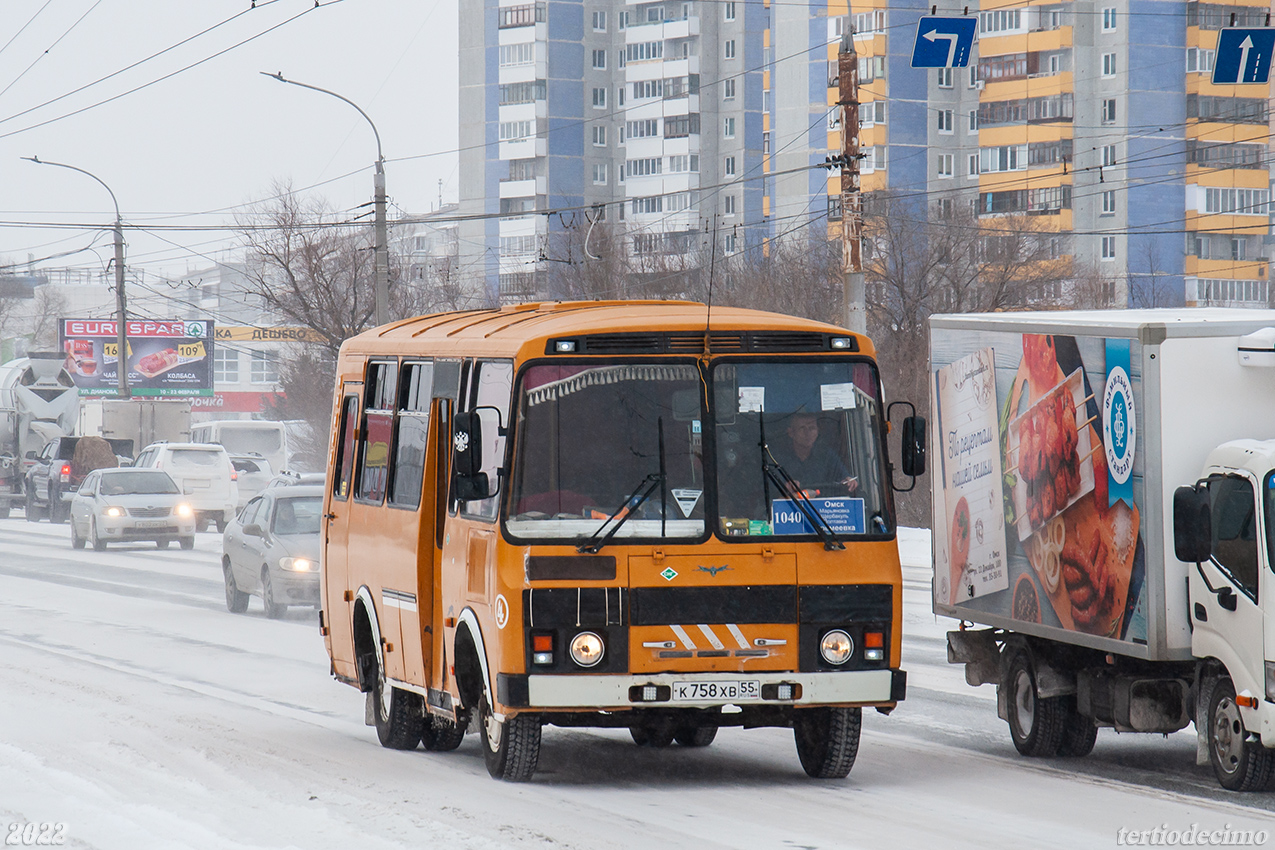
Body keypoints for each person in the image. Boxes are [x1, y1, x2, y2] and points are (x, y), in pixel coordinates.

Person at [769, 412, 858, 495]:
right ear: (791, 433)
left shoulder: (826, 455)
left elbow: (844, 476)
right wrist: (785, 486)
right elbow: (769, 486)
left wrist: (849, 480)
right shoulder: (778, 458)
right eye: (802, 428)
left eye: (812, 428)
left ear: (817, 432)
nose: (807, 433)